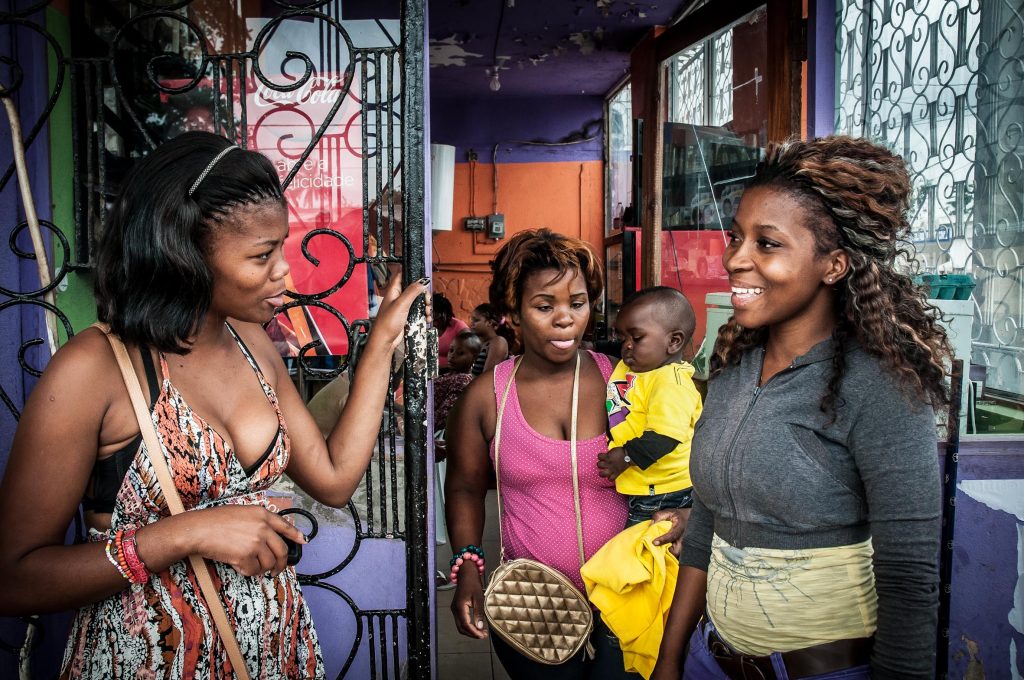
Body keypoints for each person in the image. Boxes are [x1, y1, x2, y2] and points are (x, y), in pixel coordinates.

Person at [0, 132, 428, 679]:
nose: (284, 272)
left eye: (282, 248)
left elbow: (335, 478)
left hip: (274, 653)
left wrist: (382, 344)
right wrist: (189, 533)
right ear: (184, 253)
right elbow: (14, 579)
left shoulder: (251, 343)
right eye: (262, 255)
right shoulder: (95, 369)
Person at [651, 136, 950, 680]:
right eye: (736, 237)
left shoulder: (880, 386)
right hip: (709, 661)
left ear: (833, 265)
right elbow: (706, 525)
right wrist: (670, 661)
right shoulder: (733, 368)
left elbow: (909, 575)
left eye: (767, 244)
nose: (735, 259)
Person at [445, 228, 687, 679]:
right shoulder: (486, 398)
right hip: (535, 605)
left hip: (632, 594)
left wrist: (687, 512)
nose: (565, 319)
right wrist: (469, 567)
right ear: (512, 314)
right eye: (544, 306)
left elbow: (683, 448)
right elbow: (463, 488)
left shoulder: (625, 381)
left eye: (577, 303)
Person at [597, 286, 703, 527]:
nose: (626, 346)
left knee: (640, 543)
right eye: (622, 338)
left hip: (665, 491)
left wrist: (625, 456)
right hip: (645, 485)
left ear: (673, 342)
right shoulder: (634, 366)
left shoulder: (671, 383)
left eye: (636, 338)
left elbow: (664, 437)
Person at [468, 302, 512, 376]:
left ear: (490, 323)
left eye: (476, 320)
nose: (472, 323)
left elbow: (487, 376)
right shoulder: (478, 342)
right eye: (472, 320)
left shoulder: (498, 342)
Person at [433, 292, 470, 372]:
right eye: (433, 318)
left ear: (447, 313)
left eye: (439, 316)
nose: (435, 322)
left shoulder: (459, 327)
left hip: (452, 371)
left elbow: (469, 355)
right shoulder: (425, 326)